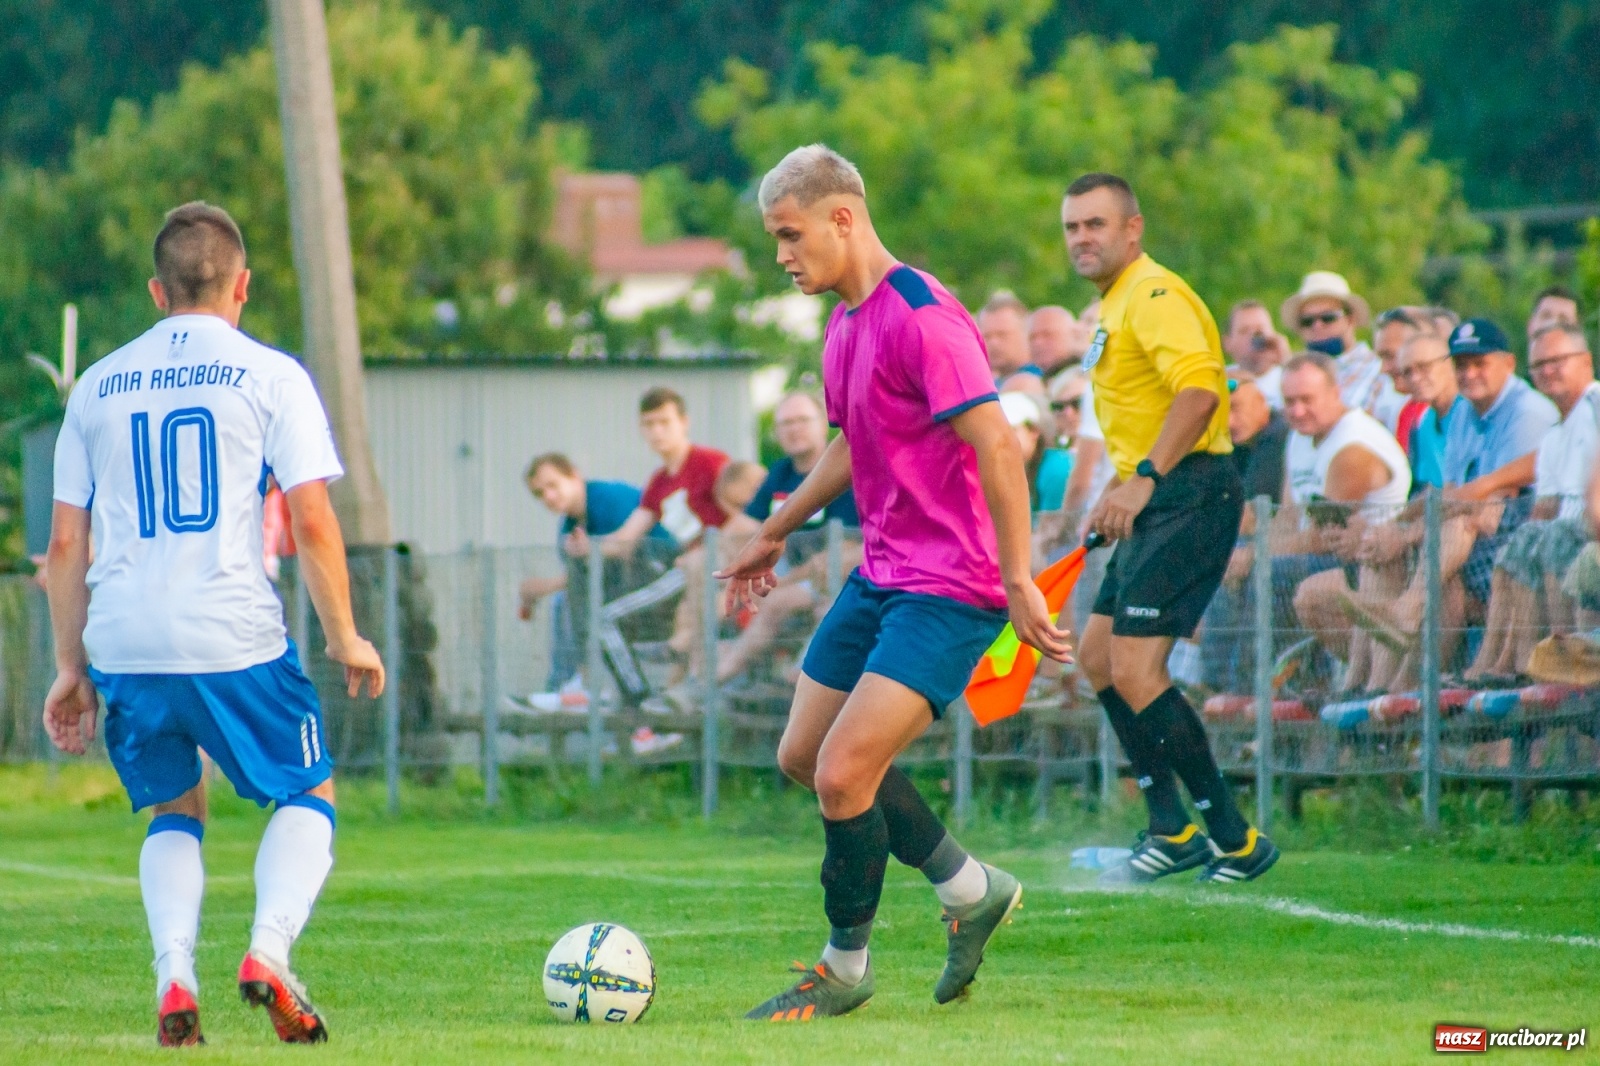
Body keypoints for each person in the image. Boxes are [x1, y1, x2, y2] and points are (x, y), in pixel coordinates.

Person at [718, 144, 1065, 1020]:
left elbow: (997, 445)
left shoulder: (923, 316)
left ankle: (843, 969)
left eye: (789, 235)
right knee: (805, 758)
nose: (782, 255)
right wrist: (775, 529)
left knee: (843, 775)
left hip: (952, 584)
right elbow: (851, 443)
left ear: (843, 218)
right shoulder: (842, 325)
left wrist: (1019, 580)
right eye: (774, 239)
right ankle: (969, 889)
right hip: (881, 575)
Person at [42, 202, 384, 1046]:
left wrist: (70, 668)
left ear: (158, 292)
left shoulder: (96, 385)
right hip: (231, 632)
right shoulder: (271, 376)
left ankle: (174, 975)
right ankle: (268, 952)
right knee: (307, 791)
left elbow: (65, 543)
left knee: (174, 805)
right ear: (243, 287)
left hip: (124, 640)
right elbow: (311, 519)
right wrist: (344, 635)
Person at [1062, 171, 1276, 883]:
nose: (1082, 238)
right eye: (1072, 227)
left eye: (1096, 224)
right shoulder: (1116, 302)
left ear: (1134, 229)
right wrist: (1122, 485)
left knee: (1135, 668)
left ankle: (1235, 839)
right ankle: (1171, 830)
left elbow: (1201, 390)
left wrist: (1145, 478)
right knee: (1099, 657)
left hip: (1191, 491)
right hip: (1157, 493)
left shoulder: (1154, 295)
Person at [1343, 318, 1559, 648]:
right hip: (1478, 537)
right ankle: (1376, 676)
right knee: (1386, 554)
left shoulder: (1527, 410)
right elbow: (1451, 491)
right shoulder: (1462, 412)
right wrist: (1394, 529)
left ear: (1508, 363)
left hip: (1520, 537)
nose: (1469, 374)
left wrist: (1406, 535)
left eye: (1479, 364)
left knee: (1446, 537)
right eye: (1461, 365)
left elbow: (1494, 498)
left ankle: (1410, 616)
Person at [1271, 355, 1413, 690]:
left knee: (1267, 573)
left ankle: (1272, 684)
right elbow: (1287, 516)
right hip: (1323, 553)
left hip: (1373, 560)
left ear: (1335, 392)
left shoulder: (1352, 445)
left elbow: (1321, 537)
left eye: (1307, 400)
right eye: (1290, 402)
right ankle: (1244, 686)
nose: (1297, 411)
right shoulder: (1300, 436)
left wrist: (1255, 556)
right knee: (1232, 568)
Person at [1468, 324, 1599, 677]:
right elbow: (1544, 508)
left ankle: (1565, 658)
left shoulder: (1596, 404)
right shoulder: (1555, 433)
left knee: (1552, 538)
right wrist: (1520, 544)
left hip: (1590, 529)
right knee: (1522, 542)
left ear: (1586, 361)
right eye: (1539, 365)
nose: (1547, 371)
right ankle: (1506, 663)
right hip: (1565, 531)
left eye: (1557, 361)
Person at [1197, 371, 1291, 694]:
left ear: (1262, 402)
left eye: (1235, 408)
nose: (1229, 421)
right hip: (1255, 540)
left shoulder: (1276, 436)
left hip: (1282, 540)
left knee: (1226, 562)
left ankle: (1225, 684)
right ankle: (1211, 681)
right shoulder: (1233, 443)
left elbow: (1250, 518)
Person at [603, 387, 729, 555]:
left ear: (684, 422)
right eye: (649, 424)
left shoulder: (712, 462)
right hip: (688, 562)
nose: (656, 431)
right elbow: (626, 539)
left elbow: (745, 518)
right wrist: (588, 547)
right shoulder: (657, 483)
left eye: (665, 422)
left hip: (729, 559)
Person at [1281, 270, 1404, 431]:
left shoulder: (1379, 369)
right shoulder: (1290, 377)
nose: (1317, 326)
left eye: (1328, 318)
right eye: (1307, 321)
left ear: (1350, 319)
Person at [1372, 307, 1432, 456]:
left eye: (1390, 356)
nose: (1384, 369)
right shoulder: (1405, 411)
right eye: (1381, 358)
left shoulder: (1456, 411)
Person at [1001, 392, 1073, 512]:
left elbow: (1053, 522)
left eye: (1011, 430)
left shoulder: (1057, 468)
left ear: (1033, 431)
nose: (1002, 439)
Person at [1222, 299, 1292, 408]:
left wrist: (1286, 360)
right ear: (1227, 342)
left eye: (1260, 330)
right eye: (1244, 331)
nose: (1254, 337)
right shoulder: (1220, 380)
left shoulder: (1289, 380)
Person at [978, 290, 1044, 394]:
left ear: (1026, 333)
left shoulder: (1039, 381)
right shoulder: (989, 385)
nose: (994, 343)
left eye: (1002, 334)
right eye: (987, 336)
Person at [1028, 304, 1090, 382]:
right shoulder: (1030, 378)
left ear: (1074, 335)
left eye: (1047, 335)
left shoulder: (1087, 377)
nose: (1038, 343)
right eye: (1032, 337)